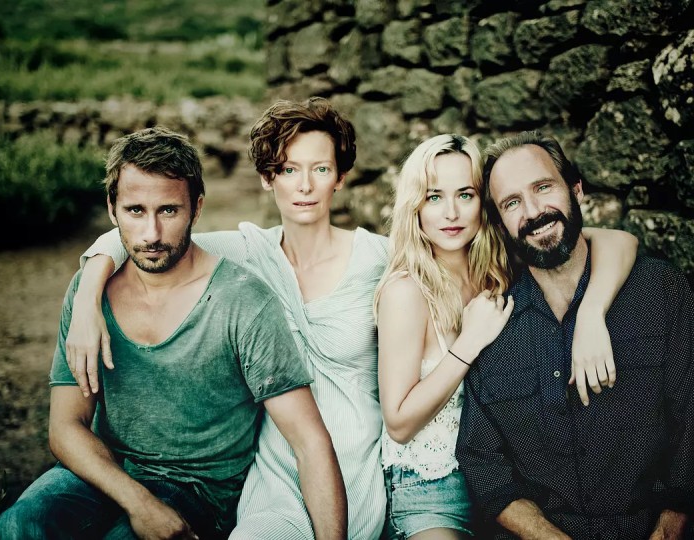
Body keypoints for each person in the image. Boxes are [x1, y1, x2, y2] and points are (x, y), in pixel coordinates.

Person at [0, 127, 346, 540]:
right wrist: (139, 502)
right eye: (135, 211)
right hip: (104, 469)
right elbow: (65, 426)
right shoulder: (89, 293)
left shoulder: (243, 302)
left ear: (196, 209)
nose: (152, 235)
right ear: (112, 210)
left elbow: (309, 442)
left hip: (197, 490)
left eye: (168, 211)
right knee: (19, 525)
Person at [65, 99, 388, 539]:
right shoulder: (247, 251)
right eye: (289, 169)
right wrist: (86, 298)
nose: (305, 186)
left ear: (341, 176)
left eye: (321, 169)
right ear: (267, 178)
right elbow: (142, 235)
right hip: (274, 461)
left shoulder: (381, 258)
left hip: (356, 454)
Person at [374, 134, 638, 539]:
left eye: (465, 195)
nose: (451, 212)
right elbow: (398, 423)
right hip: (432, 491)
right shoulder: (407, 291)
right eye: (434, 197)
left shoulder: (500, 267)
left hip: (512, 488)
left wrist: (591, 313)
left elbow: (619, 240)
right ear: (415, 207)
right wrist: (469, 343)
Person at [456, 130, 694, 540]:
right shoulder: (491, 325)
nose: (533, 212)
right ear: (499, 222)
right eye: (512, 202)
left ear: (576, 189)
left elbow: (690, 422)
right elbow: (484, 463)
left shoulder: (659, 292)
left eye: (543, 187)